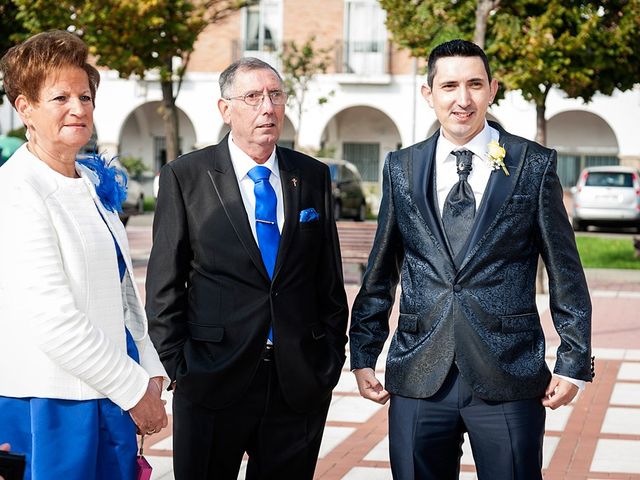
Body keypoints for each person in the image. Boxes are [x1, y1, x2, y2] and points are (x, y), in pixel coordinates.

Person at [348, 39, 593, 480]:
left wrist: (574, 363)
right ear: (429, 94)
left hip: (508, 373)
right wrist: (363, 351)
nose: (463, 99)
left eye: (475, 84)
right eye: (450, 86)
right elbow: (381, 268)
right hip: (419, 373)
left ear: (492, 89)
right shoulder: (401, 167)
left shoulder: (532, 165)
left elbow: (566, 272)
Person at [145, 57, 349, 480]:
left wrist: (327, 360)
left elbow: (327, 279)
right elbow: (164, 285)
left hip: (297, 382)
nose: (267, 108)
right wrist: (181, 368)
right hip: (212, 378)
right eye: (253, 97)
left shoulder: (310, 175)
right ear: (225, 109)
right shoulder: (186, 176)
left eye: (275, 96)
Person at [0, 31, 168, 480]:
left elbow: (122, 292)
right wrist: (134, 390)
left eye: (85, 96)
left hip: (106, 394)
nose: (78, 108)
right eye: (60, 97)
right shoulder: (17, 190)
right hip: (51, 406)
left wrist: (149, 367)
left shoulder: (91, 183)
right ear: (24, 108)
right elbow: (53, 320)